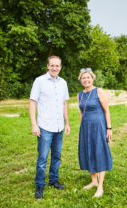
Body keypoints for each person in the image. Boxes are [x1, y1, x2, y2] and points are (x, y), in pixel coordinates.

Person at [29, 56, 70, 199]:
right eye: (52, 65)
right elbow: (32, 102)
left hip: (59, 127)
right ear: (47, 66)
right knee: (42, 158)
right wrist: (34, 124)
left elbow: (65, 104)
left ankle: (53, 180)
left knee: (57, 156)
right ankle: (40, 184)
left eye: (57, 66)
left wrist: (67, 123)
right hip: (45, 126)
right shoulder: (39, 81)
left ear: (60, 67)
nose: (55, 68)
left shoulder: (63, 83)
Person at [77, 68, 113, 198]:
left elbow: (107, 110)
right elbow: (81, 113)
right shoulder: (79, 94)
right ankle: (93, 181)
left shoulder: (99, 91)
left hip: (98, 126)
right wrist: (82, 128)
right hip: (86, 128)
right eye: (83, 78)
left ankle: (100, 186)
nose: (86, 80)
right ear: (80, 80)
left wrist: (109, 128)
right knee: (89, 151)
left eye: (88, 77)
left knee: (99, 152)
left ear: (93, 78)